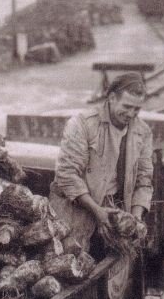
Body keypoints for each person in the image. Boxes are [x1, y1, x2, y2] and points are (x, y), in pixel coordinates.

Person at [50, 72, 154, 254]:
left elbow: (144, 180)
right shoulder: (82, 124)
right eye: (127, 106)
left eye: (137, 109)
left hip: (114, 216)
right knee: (72, 262)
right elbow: (66, 175)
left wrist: (136, 218)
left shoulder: (142, 132)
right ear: (112, 98)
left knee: (111, 270)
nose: (131, 114)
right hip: (76, 213)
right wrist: (97, 211)